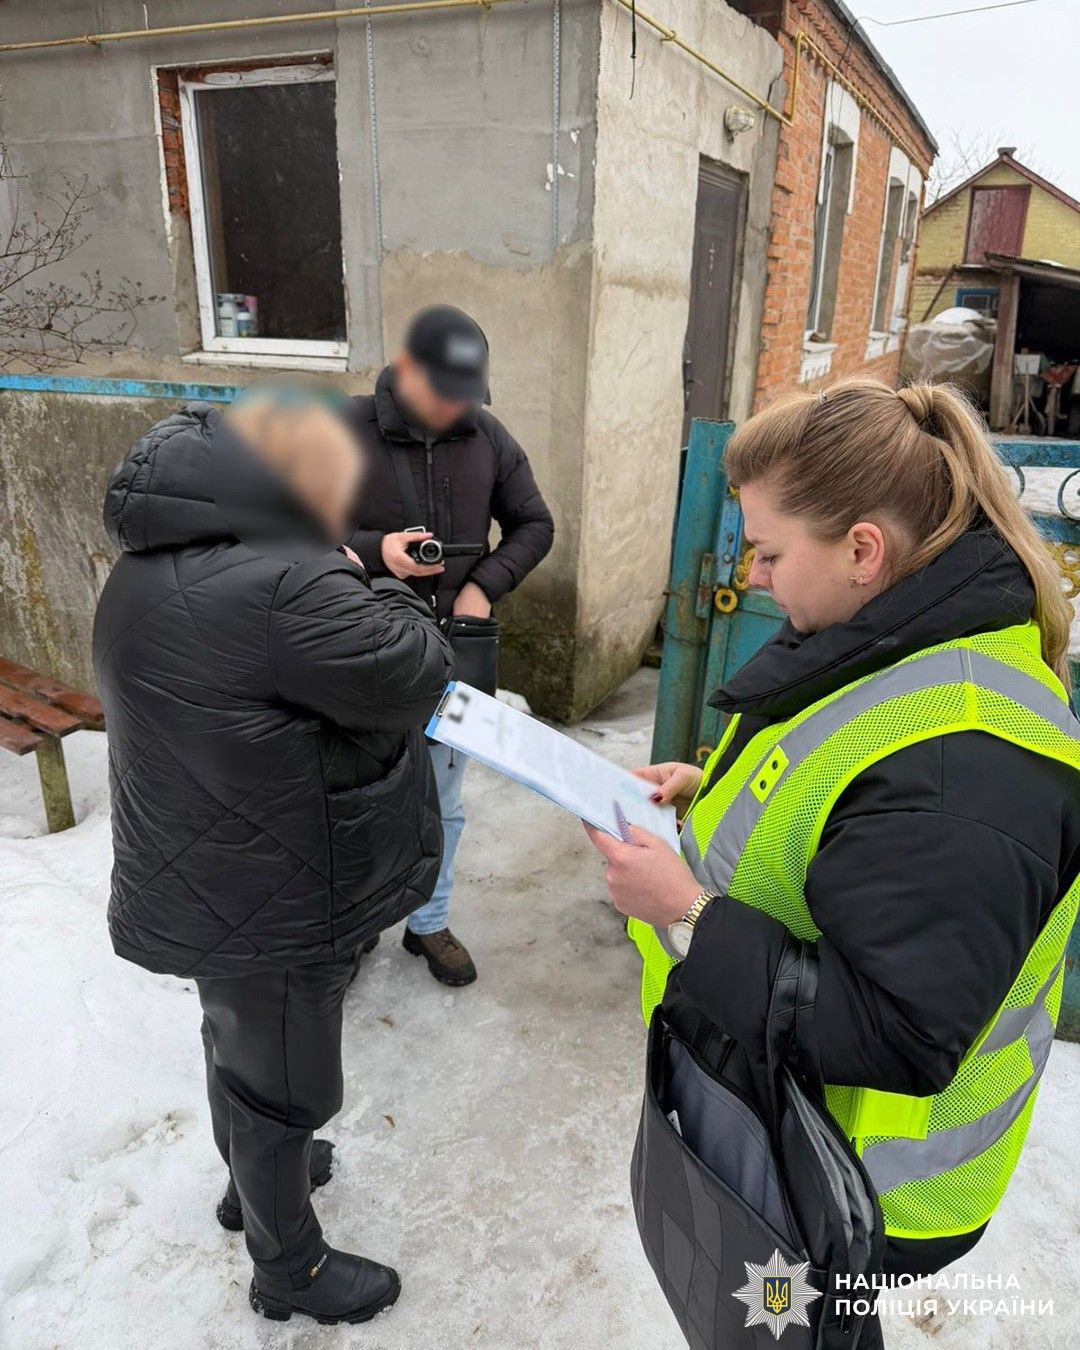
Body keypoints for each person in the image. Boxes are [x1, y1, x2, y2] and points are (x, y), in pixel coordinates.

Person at [584, 379, 1080, 1348]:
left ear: (863, 550)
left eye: (771, 552)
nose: (756, 575)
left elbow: (901, 1032)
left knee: (800, 1331)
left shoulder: (967, 763)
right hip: (789, 1131)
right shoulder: (889, 637)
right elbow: (842, 789)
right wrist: (708, 790)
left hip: (859, 1186)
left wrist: (685, 914)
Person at [93, 390, 454, 1326]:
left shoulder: (145, 566)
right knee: (286, 1087)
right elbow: (413, 671)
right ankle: (289, 1267)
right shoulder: (288, 582)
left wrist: (340, 564)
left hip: (203, 869)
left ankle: (249, 1185)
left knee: (237, 1044)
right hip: (280, 880)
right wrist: (377, 580)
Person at [346, 304, 554, 986]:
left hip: (453, 657)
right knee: (357, 804)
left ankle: (427, 922)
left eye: (467, 397)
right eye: (444, 395)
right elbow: (287, 526)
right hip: (360, 652)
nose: (455, 410)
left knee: (443, 804)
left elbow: (534, 524)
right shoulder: (343, 431)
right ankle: (356, 926)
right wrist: (375, 552)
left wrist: (482, 587)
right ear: (405, 371)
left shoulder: (488, 436)